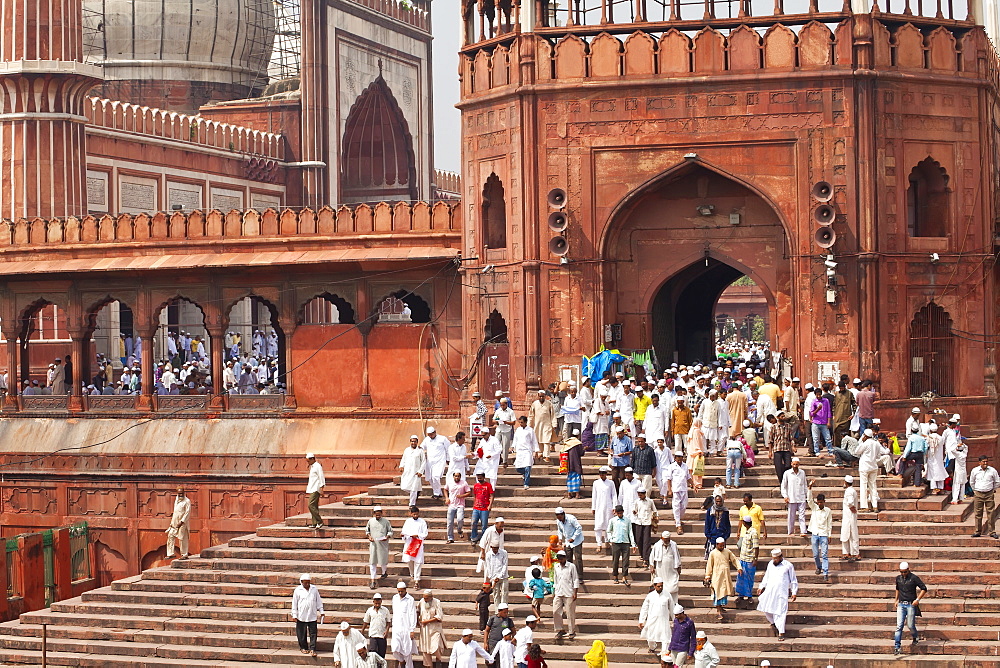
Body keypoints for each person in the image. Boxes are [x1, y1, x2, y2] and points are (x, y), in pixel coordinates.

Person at [756, 548, 798, 641]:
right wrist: (761, 586)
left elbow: (793, 580)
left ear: (780, 557)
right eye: (773, 558)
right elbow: (766, 576)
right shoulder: (770, 564)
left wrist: (794, 592)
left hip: (781, 593)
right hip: (770, 591)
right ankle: (774, 623)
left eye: (776, 558)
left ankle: (781, 632)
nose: (774, 560)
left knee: (781, 611)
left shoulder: (788, 566)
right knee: (765, 607)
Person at [893, 561, 928, 655]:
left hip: (910, 604)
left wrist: (917, 600)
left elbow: (924, 588)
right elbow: (897, 589)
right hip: (901, 604)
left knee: (910, 625)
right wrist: (896, 600)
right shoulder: (898, 578)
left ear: (908, 570)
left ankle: (915, 636)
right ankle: (897, 646)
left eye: (905, 572)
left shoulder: (914, 578)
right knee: (899, 626)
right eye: (901, 572)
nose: (903, 574)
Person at [703, 537, 741, 621]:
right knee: (717, 592)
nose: (722, 547)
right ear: (716, 545)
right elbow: (709, 565)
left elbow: (734, 559)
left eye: (723, 545)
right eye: (720, 546)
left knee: (724, 591)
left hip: (725, 576)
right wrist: (707, 576)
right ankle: (718, 610)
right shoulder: (712, 553)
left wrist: (739, 567)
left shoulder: (727, 552)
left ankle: (721, 607)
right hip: (717, 576)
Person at [291, 573, 324, 657]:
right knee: (301, 633)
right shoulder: (298, 590)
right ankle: (303, 647)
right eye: (305, 583)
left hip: (312, 615)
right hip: (301, 615)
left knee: (313, 633)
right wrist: (294, 615)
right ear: (301, 582)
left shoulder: (314, 589)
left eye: (308, 582)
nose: (307, 584)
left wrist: (321, 611)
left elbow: (318, 601)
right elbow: (294, 604)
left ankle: (313, 648)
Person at [648, 530, 682, 611]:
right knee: (662, 586)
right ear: (661, 538)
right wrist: (652, 565)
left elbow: (677, 556)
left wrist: (679, 566)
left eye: (668, 540)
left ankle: (674, 605)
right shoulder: (657, 545)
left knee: (673, 585)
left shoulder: (673, 544)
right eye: (665, 540)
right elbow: (652, 556)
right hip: (661, 569)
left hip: (672, 569)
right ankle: (663, 604)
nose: (666, 541)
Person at [639, 577, 672, 655]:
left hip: (663, 620)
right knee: (650, 637)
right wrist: (641, 620)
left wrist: (675, 620)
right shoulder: (650, 596)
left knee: (665, 637)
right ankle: (652, 647)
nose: (660, 588)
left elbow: (672, 608)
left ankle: (664, 652)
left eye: (661, 586)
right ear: (654, 586)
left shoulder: (667, 595)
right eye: (658, 586)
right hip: (652, 620)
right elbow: (644, 608)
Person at [806, 483, 832, 582]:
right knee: (816, 554)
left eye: (821, 502)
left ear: (824, 502)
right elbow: (809, 500)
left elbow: (829, 523)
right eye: (818, 502)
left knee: (824, 554)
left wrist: (830, 535)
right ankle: (818, 566)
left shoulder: (828, 511)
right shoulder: (814, 508)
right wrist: (810, 488)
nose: (819, 504)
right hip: (815, 533)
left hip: (824, 534)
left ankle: (825, 572)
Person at [970, 455, 1000, 538]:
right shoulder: (975, 470)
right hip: (978, 493)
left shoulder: (992, 470)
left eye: (986, 461)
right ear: (979, 462)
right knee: (978, 513)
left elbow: (997, 481)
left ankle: (992, 532)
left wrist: (993, 489)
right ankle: (977, 531)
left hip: (989, 493)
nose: (985, 463)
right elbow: (972, 482)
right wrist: (975, 491)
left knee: (991, 513)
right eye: (983, 462)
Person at [552, 550, 579, 639]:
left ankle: (571, 631)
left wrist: (575, 592)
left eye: (562, 558)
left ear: (565, 558)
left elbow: (575, 579)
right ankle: (560, 630)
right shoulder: (556, 567)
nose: (560, 560)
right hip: (559, 592)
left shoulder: (571, 566)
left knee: (570, 613)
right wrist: (554, 591)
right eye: (559, 558)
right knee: (556, 611)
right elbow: (555, 579)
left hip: (569, 592)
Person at [856, 429, 885, 512]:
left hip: (864, 467)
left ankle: (864, 506)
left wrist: (861, 441)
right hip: (873, 466)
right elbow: (878, 456)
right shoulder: (876, 443)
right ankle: (875, 505)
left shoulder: (865, 443)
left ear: (865, 436)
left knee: (863, 486)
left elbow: (856, 451)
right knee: (873, 486)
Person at [608, 504, 637, 584]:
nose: (620, 515)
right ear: (616, 513)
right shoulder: (612, 521)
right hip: (616, 542)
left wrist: (633, 544)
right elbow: (608, 531)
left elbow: (630, 532)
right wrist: (611, 539)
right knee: (615, 560)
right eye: (618, 513)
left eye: (621, 513)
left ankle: (624, 577)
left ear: (623, 512)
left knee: (626, 561)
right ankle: (615, 576)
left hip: (625, 542)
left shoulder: (627, 520)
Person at [392, 582, 419, 668]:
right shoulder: (395, 598)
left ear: (405, 590)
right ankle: (401, 662)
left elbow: (412, 614)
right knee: (395, 648)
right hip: (396, 628)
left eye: (402, 591)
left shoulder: (410, 599)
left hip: (406, 628)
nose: (400, 593)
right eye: (399, 591)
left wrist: (412, 630)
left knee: (407, 650)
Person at [401, 506, 429, 588]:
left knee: (418, 562)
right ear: (411, 514)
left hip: (418, 543)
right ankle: (412, 574)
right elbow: (404, 531)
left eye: (417, 514)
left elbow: (425, 533)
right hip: (409, 542)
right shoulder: (408, 521)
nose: (415, 516)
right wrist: (404, 535)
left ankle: (417, 580)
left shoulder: (422, 522)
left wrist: (417, 535)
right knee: (409, 560)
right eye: (414, 514)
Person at [418, 589, 447, 667]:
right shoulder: (421, 602)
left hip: (435, 628)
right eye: (424, 598)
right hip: (425, 630)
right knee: (426, 648)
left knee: (436, 646)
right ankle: (429, 665)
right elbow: (418, 611)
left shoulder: (437, 602)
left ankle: (438, 660)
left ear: (431, 597)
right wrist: (418, 621)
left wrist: (427, 621)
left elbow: (439, 616)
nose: (425, 600)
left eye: (427, 598)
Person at [554, 507, 585, 580]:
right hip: (568, 541)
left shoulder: (571, 519)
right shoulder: (559, 521)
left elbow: (579, 528)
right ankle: (570, 576)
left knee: (578, 558)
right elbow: (560, 530)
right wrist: (560, 539)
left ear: (563, 514)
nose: (560, 519)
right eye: (558, 518)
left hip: (576, 541)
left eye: (561, 517)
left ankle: (580, 577)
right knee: (567, 558)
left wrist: (573, 538)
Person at [591, 466, 616, 553]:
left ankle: (607, 541)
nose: (602, 476)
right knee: (598, 525)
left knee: (608, 525)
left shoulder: (611, 483)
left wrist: (614, 506)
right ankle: (599, 543)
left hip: (608, 506)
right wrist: (593, 507)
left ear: (606, 474)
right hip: (599, 506)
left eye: (603, 474)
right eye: (600, 474)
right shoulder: (596, 483)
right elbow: (594, 496)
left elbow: (614, 495)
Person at [366, 506, 393, 588]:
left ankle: (384, 572)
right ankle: (373, 580)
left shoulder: (386, 522)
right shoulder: (370, 521)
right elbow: (367, 530)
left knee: (383, 559)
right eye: (376, 515)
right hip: (373, 544)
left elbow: (390, 531)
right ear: (374, 514)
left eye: (379, 515)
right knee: (372, 561)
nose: (378, 516)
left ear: (381, 513)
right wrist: (369, 536)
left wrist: (387, 537)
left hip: (382, 544)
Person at [780, 457, 808, 537]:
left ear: (799, 464)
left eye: (797, 464)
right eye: (794, 464)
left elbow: (804, 484)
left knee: (802, 515)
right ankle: (791, 531)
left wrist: (806, 495)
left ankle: (803, 531)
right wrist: (785, 496)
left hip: (801, 497)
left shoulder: (802, 473)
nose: (795, 466)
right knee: (791, 516)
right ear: (791, 464)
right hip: (791, 497)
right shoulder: (787, 473)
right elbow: (783, 486)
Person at [422, 426, 452, 500]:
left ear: (435, 432)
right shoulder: (427, 439)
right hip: (430, 462)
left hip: (440, 461)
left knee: (436, 477)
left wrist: (448, 459)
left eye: (431, 434)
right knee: (430, 478)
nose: (430, 436)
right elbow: (422, 447)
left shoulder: (442, 439)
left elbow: (448, 449)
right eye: (429, 435)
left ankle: (437, 493)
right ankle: (438, 492)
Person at [665, 450, 691, 534]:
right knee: (676, 506)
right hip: (676, 489)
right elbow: (668, 479)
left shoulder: (685, 466)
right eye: (678, 457)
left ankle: (677, 519)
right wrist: (669, 489)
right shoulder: (671, 466)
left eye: (681, 457)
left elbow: (688, 477)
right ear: (675, 458)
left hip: (684, 489)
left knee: (684, 506)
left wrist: (694, 485)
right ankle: (678, 526)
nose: (679, 459)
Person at [945, 417, 968, 505]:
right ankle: (961, 498)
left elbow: (953, 451)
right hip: (963, 472)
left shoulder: (958, 455)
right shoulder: (964, 454)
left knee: (957, 485)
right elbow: (966, 448)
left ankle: (955, 499)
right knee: (962, 485)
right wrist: (962, 445)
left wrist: (955, 446)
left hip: (958, 472)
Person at [512, 415, 540, 489]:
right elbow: (515, 439)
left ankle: (526, 483)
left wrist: (536, 451)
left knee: (528, 467)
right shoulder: (518, 430)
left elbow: (534, 441)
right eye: (520, 422)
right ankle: (524, 473)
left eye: (522, 422)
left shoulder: (530, 430)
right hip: (520, 451)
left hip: (527, 450)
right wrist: (513, 446)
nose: (521, 424)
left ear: (526, 422)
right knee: (518, 468)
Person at [529, 389, 557, 458]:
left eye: (543, 396)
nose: (541, 398)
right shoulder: (534, 404)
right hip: (537, 425)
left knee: (546, 440)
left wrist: (554, 424)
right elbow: (531, 415)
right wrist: (529, 425)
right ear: (538, 396)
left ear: (545, 396)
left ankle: (547, 456)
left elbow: (553, 415)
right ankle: (540, 453)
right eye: (540, 396)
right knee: (539, 439)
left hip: (547, 425)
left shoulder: (549, 404)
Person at [400, 436, 427, 506]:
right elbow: (403, 459)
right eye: (412, 441)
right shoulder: (407, 450)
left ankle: (412, 503)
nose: (413, 443)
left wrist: (421, 471)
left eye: (414, 441)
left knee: (414, 488)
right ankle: (417, 492)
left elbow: (424, 461)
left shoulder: (420, 451)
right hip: (407, 472)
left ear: (417, 442)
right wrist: (401, 466)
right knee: (405, 486)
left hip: (416, 473)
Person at [362, 593, 391, 659]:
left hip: (382, 635)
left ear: (381, 601)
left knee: (381, 654)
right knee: (372, 653)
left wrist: (387, 631)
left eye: (379, 603)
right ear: (373, 602)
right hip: (373, 635)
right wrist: (362, 630)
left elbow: (388, 622)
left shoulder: (385, 610)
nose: (377, 605)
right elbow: (366, 621)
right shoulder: (369, 610)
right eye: (376, 603)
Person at [165, 487, 191, 559]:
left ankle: (184, 554)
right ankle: (170, 553)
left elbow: (187, 513)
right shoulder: (177, 499)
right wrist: (172, 522)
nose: (180, 495)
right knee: (170, 536)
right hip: (174, 522)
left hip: (183, 523)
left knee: (182, 539)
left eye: (182, 493)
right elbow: (175, 512)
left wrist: (182, 522)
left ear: (184, 493)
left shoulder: (187, 501)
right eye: (179, 493)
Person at [444, 472, 470, 544]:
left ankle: (459, 529)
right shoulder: (450, 482)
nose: (457, 477)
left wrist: (462, 496)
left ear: (460, 477)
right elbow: (445, 489)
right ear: (453, 476)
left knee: (460, 519)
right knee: (449, 523)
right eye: (455, 476)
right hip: (451, 505)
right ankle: (450, 537)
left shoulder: (464, 483)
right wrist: (447, 498)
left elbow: (469, 492)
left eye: (458, 476)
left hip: (460, 505)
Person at [484, 538, 510, 609]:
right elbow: (488, 567)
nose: (495, 550)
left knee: (504, 593)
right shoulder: (488, 554)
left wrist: (500, 576)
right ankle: (497, 610)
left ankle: (504, 609)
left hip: (503, 576)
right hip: (494, 577)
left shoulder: (504, 553)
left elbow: (505, 565)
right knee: (496, 594)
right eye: (494, 548)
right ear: (491, 547)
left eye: (497, 548)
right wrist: (492, 577)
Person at [703, 495, 730, 560]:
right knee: (711, 556)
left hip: (722, 535)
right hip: (712, 535)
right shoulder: (710, 510)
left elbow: (727, 524)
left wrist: (727, 535)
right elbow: (707, 523)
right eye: (717, 501)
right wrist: (708, 534)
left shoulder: (725, 511)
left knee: (721, 556)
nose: (718, 503)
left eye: (720, 501)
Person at [840, 475, 860, 561]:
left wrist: (851, 506)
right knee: (847, 533)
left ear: (845, 482)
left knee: (852, 533)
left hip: (849, 515)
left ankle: (854, 553)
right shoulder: (852, 490)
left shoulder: (849, 491)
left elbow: (850, 502)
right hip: (848, 515)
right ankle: (847, 552)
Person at [470, 472, 494, 544]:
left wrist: (490, 505)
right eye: (478, 478)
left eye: (480, 478)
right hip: (476, 508)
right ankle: (474, 537)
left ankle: (484, 539)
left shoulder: (488, 485)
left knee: (484, 525)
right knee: (473, 523)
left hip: (485, 508)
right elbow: (475, 495)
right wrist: (474, 504)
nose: (479, 479)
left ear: (484, 477)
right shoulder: (476, 486)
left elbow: (492, 496)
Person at [924, 424, 947, 494]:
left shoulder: (928, 438)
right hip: (939, 457)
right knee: (940, 471)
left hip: (932, 457)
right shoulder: (940, 438)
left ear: (930, 430)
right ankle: (941, 487)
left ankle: (934, 488)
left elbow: (925, 447)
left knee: (933, 472)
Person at [493, 397, 516, 466]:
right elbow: (494, 420)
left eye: (503, 405)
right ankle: (498, 458)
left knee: (505, 446)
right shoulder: (498, 411)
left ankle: (505, 461)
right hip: (499, 429)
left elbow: (513, 422)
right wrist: (497, 421)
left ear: (506, 404)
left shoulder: (510, 411)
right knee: (496, 444)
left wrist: (506, 422)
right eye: (501, 405)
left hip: (507, 430)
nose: (502, 406)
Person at [305, 453, 326, 529]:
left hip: (316, 488)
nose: (308, 463)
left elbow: (321, 477)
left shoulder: (317, 466)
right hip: (312, 488)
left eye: (308, 461)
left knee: (310, 505)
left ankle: (319, 521)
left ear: (312, 459)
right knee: (314, 506)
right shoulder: (313, 467)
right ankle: (315, 523)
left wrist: (322, 488)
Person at [562, 434, 585, 499]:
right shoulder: (578, 443)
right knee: (577, 479)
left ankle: (569, 494)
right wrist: (584, 449)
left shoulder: (567, 443)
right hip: (576, 464)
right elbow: (581, 453)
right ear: (578, 436)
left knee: (569, 479)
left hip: (569, 465)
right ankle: (577, 494)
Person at [686, 420, 706, 490]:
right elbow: (697, 441)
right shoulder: (697, 431)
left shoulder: (691, 431)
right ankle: (697, 484)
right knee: (697, 469)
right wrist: (699, 450)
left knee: (692, 469)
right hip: (696, 452)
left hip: (691, 452)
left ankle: (692, 483)